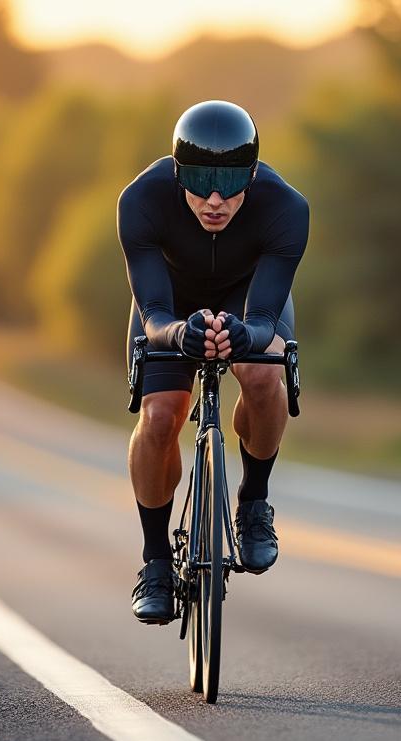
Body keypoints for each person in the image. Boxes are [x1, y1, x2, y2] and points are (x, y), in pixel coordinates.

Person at [118, 100, 309, 624]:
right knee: (160, 415)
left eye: (230, 184)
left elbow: (266, 319)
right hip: (171, 307)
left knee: (266, 368)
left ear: (253, 174)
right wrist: (181, 332)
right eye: (201, 182)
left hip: (249, 302)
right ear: (179, 172)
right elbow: (154, 311)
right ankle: (156, 562)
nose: (215, 200)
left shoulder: (286, 208)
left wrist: (246, 333)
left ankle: (253, 502)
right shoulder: (141, 200)